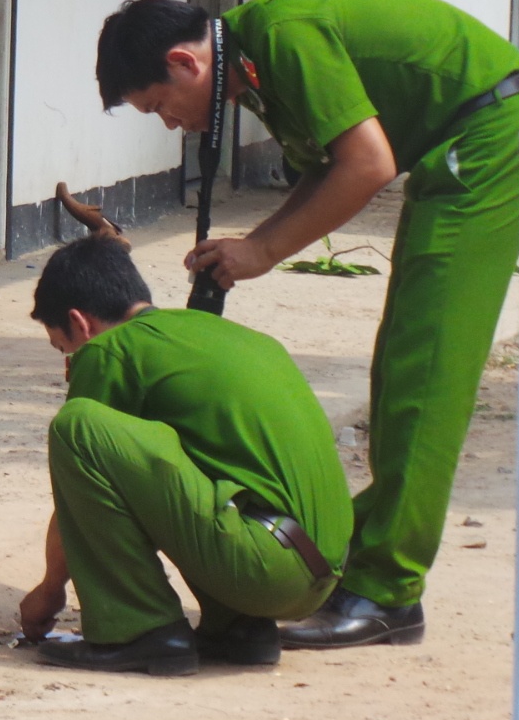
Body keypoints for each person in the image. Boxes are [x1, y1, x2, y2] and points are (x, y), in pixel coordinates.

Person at [92, 0, 519, 648]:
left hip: (483, 132)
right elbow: (325, 170)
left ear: (186, 63)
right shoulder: (249, 57)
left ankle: (388, 592)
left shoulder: (282, 35)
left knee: (427, 372)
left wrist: (263, 248)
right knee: (399, 363)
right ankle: (370, 562)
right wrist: (250, 247)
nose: (171, 124)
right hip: (451, 142)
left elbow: (367, 163)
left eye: (160, 106)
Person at [18, 235, 350, 674]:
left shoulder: (109, 350)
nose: (70, 361)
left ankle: (139, 631)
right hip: (323, 573)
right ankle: (238, 629)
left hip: (264, 569)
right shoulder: (230, 336)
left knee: (77, 427)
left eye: (63, 348)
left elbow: (82, 488)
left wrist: (49, 589)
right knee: (195, 460)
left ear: (79, 323)